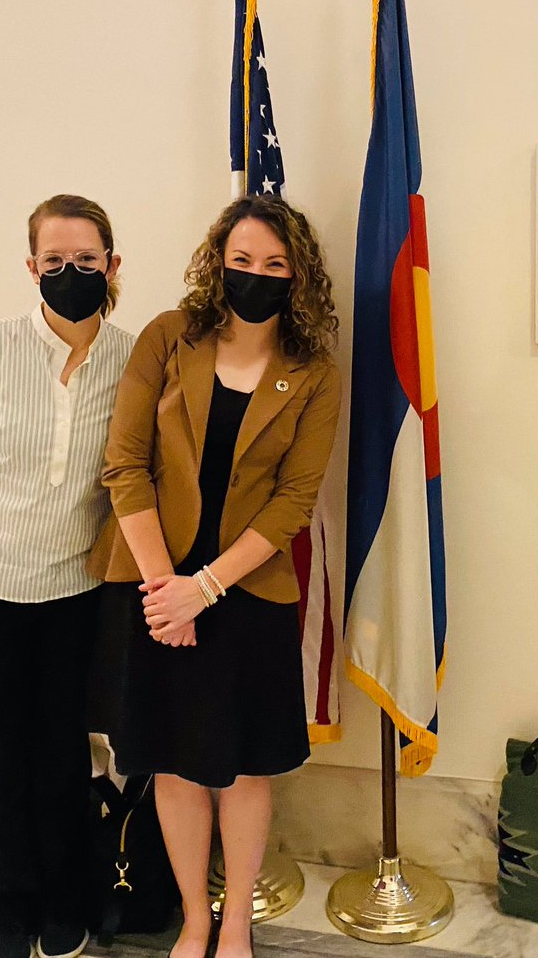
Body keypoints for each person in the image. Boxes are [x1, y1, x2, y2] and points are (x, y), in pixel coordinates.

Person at [87, 196, 341, 958]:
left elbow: (295, 501)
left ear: (297, 274)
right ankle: (195, 914)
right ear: (217, 261)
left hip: (248, 593)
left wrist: (207, 586)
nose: (255, 275)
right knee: (171, 759)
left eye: (273, 264)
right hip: (151, 586)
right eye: (241, 260)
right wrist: (170, 589)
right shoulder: (170, 336)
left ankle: (235, 922)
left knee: (241, 767)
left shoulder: (315, 371)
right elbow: (124, 463)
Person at [0, 195, 133, 958]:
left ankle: (65, 897)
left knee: (60, 748)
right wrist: (5, 518)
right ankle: (1, 902)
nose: (70, 273)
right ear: (31, 268)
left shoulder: (132, 358)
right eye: (54, 262)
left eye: (86, 261)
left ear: (113, 266)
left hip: (72, 592)